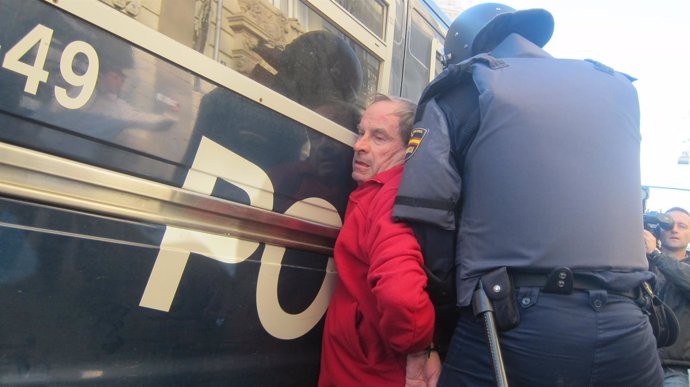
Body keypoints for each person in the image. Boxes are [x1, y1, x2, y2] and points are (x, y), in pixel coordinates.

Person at [392, 3, 663, 386]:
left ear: (463, 49)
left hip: (509, 325)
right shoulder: (617, 87)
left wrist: (445, 321)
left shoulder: (464, 86)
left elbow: (428, 221)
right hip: (630, 325)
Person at [318, 95, 441, 387]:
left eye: (379, 137)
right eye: (361, 132)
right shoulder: (374, 190)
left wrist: (417, 348)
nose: (359, 145)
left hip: (372, 372)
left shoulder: (390, 196)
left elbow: (402, 296)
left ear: (408, 147)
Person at [645, 207, 690, 387]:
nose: (674, 229)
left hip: (673, 368)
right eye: (668, 224)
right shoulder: (641, 261)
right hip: (635, 358)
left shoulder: (656, 259)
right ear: (658, 230)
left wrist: (656, 255)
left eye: (682, 226)